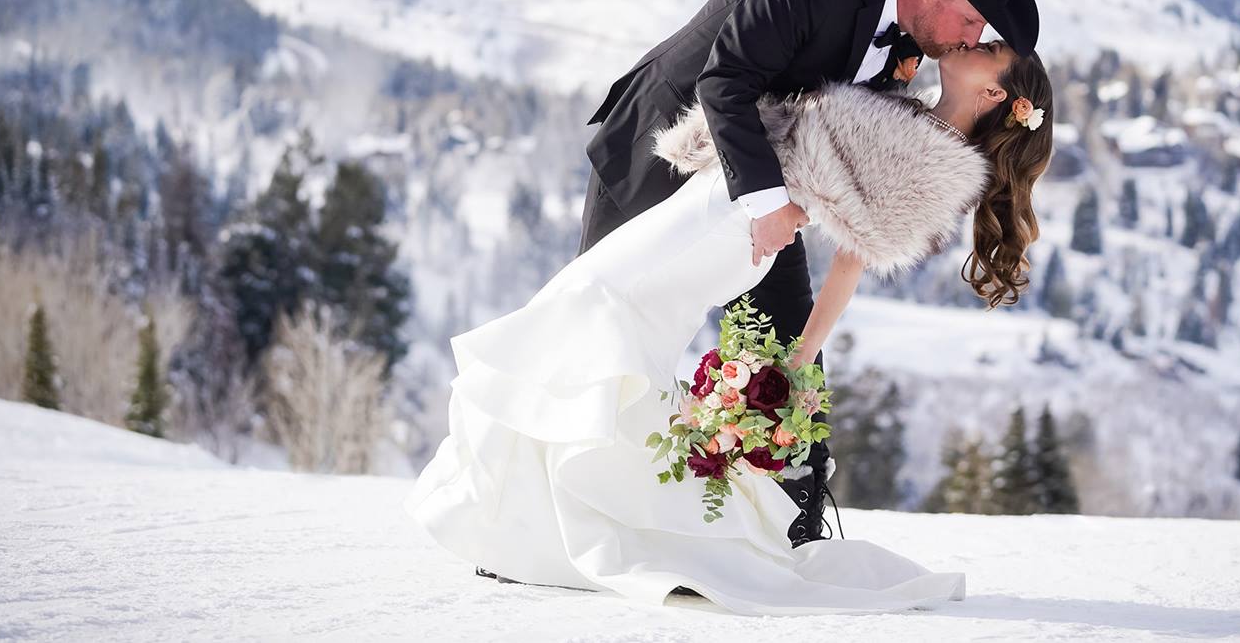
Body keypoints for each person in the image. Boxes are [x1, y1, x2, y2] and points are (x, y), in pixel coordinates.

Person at [401, 32, 1057, 615]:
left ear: (997, 92)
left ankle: (551, 525)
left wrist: (802, 355)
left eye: (990, 50)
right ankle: (537, 523)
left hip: (730, 230)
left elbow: (851, 264)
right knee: (594, 309)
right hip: (721, 199)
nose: (975, 42)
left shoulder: (940, 164)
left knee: (597, 304)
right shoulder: (910, 106)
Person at [575, 0, 1041, 544]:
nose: (971, 35)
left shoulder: (913, 47)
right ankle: (558, 517)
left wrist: (790, 211)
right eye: (972, 18)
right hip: (657, 157)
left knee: (783, 355)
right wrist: (767, 206)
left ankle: (785, 534)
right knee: (599, 329)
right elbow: (724, 83)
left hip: (765, 197)